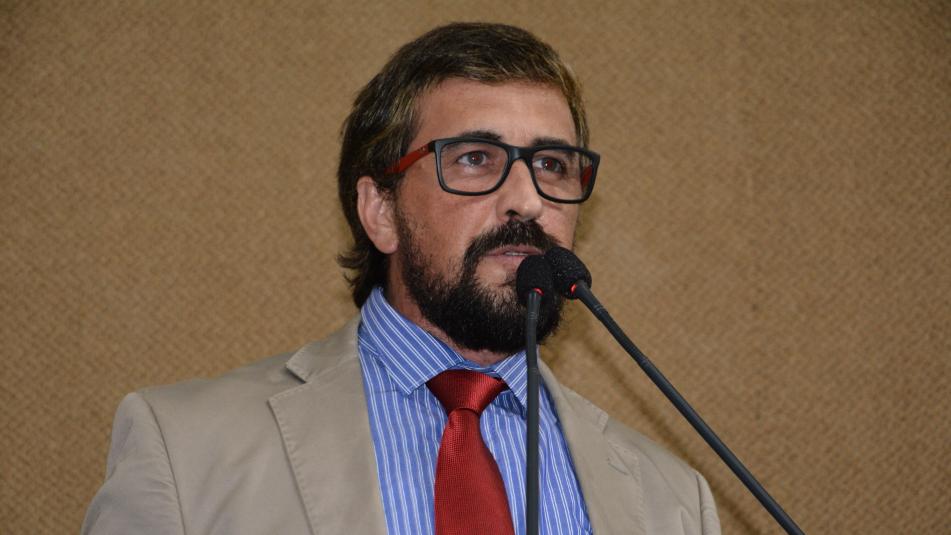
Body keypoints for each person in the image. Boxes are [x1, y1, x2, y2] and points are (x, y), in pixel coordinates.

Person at [82, 22, 720, 535]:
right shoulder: (184, 449)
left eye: (552, 164)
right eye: (476, 159)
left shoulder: (672, 499)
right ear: (381, 211)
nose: (527, 200)